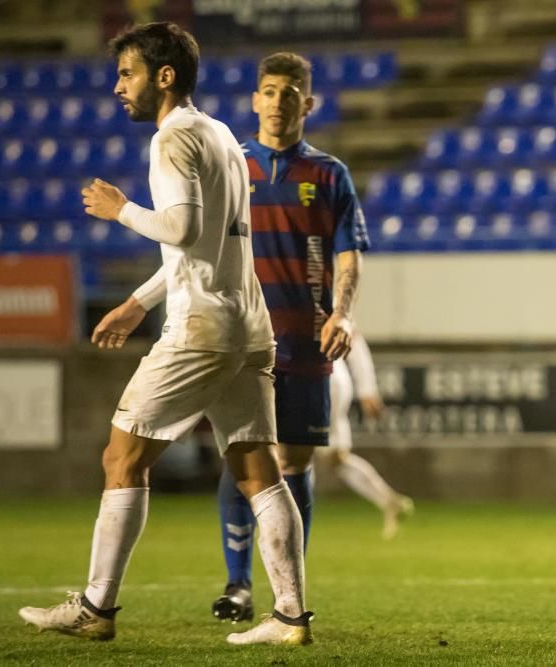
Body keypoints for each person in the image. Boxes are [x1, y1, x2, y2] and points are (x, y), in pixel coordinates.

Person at [17, 23, 312, 647]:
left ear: (164, 75)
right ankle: (289, 617)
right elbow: (211, 245)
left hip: (201, 329)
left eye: (127, 74)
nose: (118, 87)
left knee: (121, 457)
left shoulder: (172, 139)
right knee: (259, 471)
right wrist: (134, 301)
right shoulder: (223, 135)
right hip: (247, 322)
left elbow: (179, 229)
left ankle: (96, 608)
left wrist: (118, 208)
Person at [211, 52, 369, 627]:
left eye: (290, 92)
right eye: (269, 90)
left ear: (309, 103)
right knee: (242, 455)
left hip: (304, 338)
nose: (278, 101)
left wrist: (344, 314)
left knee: (296, 462)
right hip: (239, 335)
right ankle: (237, 584)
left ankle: (288, 588)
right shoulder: (229, 164)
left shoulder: (329, 174)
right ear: (255, 100)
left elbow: (348, 253)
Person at [326, 331, 414, 540]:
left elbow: (350, 334)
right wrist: (366, 389)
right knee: (335, 458)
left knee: (288, 455)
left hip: (314, 378)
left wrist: (367, 389)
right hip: (334, 377)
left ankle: (275, 521)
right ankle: (389, 501)